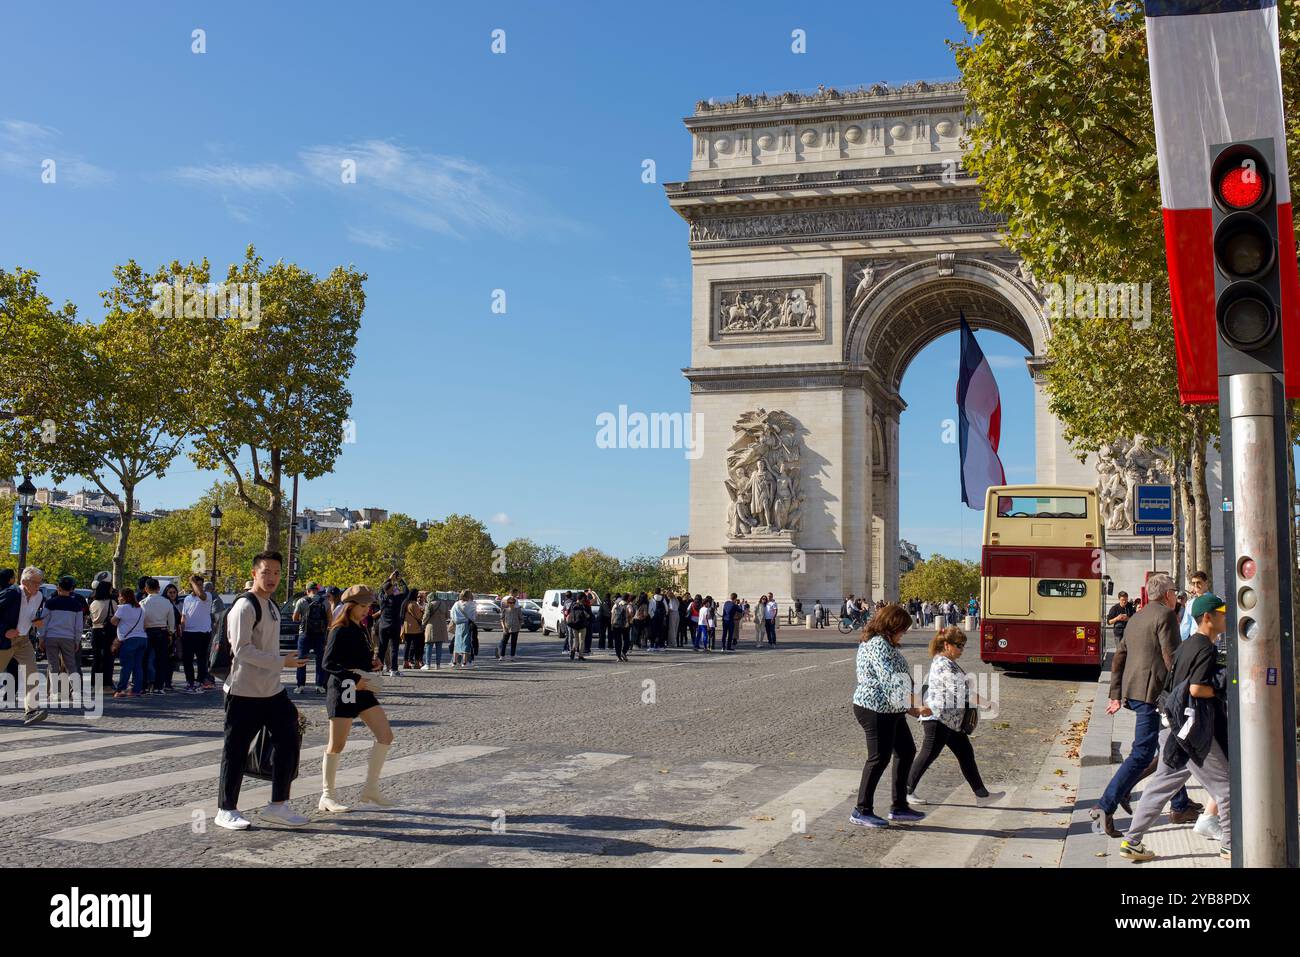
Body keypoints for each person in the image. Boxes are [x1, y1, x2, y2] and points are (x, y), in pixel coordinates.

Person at [1120, 593, 1232, 863]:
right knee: (1227, 788)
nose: (1226, 617)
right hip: (1192, 731)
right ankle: (1230, 845)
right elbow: (1195, 688)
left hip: (1172, 727)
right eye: (1222, 613)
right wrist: (1222, 687)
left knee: (1161, 785)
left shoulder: (1186, 645)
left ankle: (1132, 841)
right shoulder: (1206, 648)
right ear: (1208, 618)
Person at [1090, 573, 1200, 838]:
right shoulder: (1165, 616)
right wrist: (1189, 689)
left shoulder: (1137, 616)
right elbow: (1172, 659)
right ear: (1167, 594)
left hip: (1136, 691)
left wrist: (1115, 693)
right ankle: (1106, 804)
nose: (1177, 596)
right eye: (1175, 591)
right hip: (1154, 694)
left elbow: (1119, 657)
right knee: (1142, 753)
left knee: (1171, 747)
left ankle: (1179, 804)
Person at [215, 551, 309, 831]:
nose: (272, 578)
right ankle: (226, 809)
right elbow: (241, 651)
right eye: (266, 572)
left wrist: (281, 660)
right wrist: (282, 661)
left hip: (271, 690)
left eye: (277, 573)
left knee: (290, 740)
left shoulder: (272, 605)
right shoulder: (244, 606)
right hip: (243, 691)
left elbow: (265, 646)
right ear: (254, 573)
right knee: (235, 751)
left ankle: (278, 804)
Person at [849, 604, 930, 828]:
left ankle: (899, 807)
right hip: (874, 708)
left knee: (906, 751)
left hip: (891, 708)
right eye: (902, 628)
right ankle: (861, 809)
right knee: (878, 758)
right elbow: (890, 680)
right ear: (891, 626)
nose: (904, 632)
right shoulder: (877, 644)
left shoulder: (886, 644)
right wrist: (916, 706)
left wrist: (912, 706)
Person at [319, 584, 396, 812]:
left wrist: (373, 664)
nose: (366, 610)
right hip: (344, 689)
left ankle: (371, 789)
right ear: (350, 606)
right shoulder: (340, 628)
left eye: (369, 606)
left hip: (362, 688)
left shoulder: (361, 627)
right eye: (363, 606)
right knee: (337, 744)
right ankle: (327, 796)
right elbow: (328, 664)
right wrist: (353, 678)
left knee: (385, 735)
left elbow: (357, 656)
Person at [906, 626, 1002, 805]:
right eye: (959, 646)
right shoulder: (943, 664)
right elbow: (962, 692)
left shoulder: (946, 662)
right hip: (939, 718)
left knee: (965, 753)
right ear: (947, 645)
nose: (962, 650)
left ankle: (982, 795)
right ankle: (906, 790)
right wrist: (988, 703)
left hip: (949, 720)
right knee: (928, 754)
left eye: (963, 646)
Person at [0, 567, 48, 724]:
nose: (38, 586)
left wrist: (36, 621)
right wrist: (5, 631)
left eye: (40, 583)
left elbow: (31, 615)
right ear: (25, 582)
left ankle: (31, 711)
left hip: (24, 640)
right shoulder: (12, 593)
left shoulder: (39, 596)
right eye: (35, 583)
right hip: (6, 641)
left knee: (32, 673)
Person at [42, 576, 88, 699]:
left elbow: (43, 622)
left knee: (53, 665)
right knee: (71, 665)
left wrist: (41, 637)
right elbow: (79, 626)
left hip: (51, 636)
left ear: (58, 588)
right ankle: (75, 691)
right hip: (68, 637)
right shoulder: (77, 604)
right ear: (72, 589)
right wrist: (77, 640)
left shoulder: (50, 603)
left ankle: (54, 692)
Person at [291, 582, 331, 695]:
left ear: (307, 590)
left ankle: (300, 686)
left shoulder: (302, 601)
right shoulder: (325, 602)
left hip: (305, 634)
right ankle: (319, 685)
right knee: (320, 660)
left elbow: (295, 618)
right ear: (317, 590)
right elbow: (330, 619)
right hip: (320, 635)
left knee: (301, 660)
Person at [110, 587, 148, 699]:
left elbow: (113, 621)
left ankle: (121, 689)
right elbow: (144, 624)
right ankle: (136, 689)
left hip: (129, 640)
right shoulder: (140, 608)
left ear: (124, 597)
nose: (118, 598)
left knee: (126, 666)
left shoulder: (122, 608)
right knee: (138, 666)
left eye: (120, 596)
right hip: (142, 638)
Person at [179, 574, 215, 693]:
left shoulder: (207, 596)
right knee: (187, 659)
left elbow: (201, 595)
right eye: (196, 584)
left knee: (201, 659)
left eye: (200, 585)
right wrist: (182, 628)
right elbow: (184, 616)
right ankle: (190, 681)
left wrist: (193, 582)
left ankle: (200, 681)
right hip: (188, 632)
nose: (198, 587)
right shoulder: (187, 598)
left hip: (202, 632)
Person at [139, 578, 174, 695]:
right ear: (159, 588)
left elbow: (141, 620)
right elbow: (171, 620)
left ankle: (143, 686)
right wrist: (171, 632)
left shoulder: (143, 603)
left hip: (147, 631)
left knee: (145, 659)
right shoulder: (166, 602)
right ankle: (159, 686)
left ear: (146, 589)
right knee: (161, 660)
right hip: (162, 631)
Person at [377, 572, 412, 676]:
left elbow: (380, 590)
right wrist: (400, 580)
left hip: (383, 626)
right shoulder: (397, 599)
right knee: (394, 648)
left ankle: (379, 669)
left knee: (382, 648)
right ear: (391, 590)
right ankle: (394, 670)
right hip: (394, 626)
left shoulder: (382, 598)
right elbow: (406, 591)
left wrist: (389, 578)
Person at [88, 579, 118, 693]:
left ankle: (95, 685)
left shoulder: (93, 603)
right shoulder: (112, 602)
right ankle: (107, 685)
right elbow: (116, 617)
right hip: (108, 631)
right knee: (108, 658)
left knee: (96, 659)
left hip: (96, 631)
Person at [421, 591, 448, 670]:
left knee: (429, 646)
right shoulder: (443, 604)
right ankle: (438, 665)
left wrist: (423, 624)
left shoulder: (429, 605)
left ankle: (428, 664)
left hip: (431, 627)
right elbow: (447, 616)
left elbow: (426, 616)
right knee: (439, 647)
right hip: (441, 627)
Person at [1179, 570, 1209, 642]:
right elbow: (1185, 625)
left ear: (1206, 582)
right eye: (1193, 583)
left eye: (1198, 582)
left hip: (1212, 642)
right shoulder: (1190, 603)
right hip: (1195, 642)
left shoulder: (1217, 601)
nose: (1195, 585)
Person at [450, 589, 476, 669]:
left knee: (457, 643)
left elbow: (452, 614)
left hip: (458, 624)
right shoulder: (471, 604)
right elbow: (473, 616)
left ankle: (454, 662)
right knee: (466, 642)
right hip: (466, 624)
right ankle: (465, 662)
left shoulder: (456, 604)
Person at [400, 589, 425, 670]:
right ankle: (417, 663)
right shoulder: (414, 604)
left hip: (406, 627)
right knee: (416, 646)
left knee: (407, 646)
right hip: (415, 628)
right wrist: (422, 611)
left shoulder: (405, 603)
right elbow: (418, 616)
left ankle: (405, 662)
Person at [566, 593, 591, 661]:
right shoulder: (582, 606)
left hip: (574, 624)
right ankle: (580, 655)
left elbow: (568, 613)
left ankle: (573, 650)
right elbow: (587, 615)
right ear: (582, 598)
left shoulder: (572, 604)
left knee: (576, 640)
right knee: (582, 640)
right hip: (582, 624)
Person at [499, 595, 522, 660]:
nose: (511, 604)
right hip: (507, 628)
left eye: (513, 603)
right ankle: (502, 656)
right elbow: (502, 619)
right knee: (504, 642)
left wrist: (519, 626)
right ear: (507, 603)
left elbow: (521, 619)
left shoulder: (518, 610)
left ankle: (512, 656)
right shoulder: (505, 610)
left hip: (515, 628)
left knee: (513, 643)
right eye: (510, 603)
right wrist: (503, 627)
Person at [609, 593, 631, 661]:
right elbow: (630, 613)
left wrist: (612, 623)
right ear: (627, 599)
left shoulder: (616, 604)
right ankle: (624, 652)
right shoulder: (627, 605)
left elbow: (612, 613)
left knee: (617, 641)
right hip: (625, 625)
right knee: (626, 640)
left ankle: (618, 656)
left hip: (616, 624)